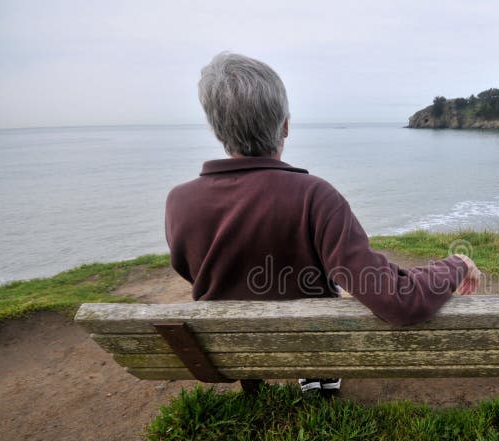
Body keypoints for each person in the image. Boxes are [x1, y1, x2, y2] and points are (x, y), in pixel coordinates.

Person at [165, 52, 481, 393]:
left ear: (217, 129)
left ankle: (254, 381)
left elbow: (194, 272)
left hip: (233, 349)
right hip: (312, 343)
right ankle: (320, 374)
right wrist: (456, 264)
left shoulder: (179, 202)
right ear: (285, 125)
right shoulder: (315, 197)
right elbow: (397, 299)